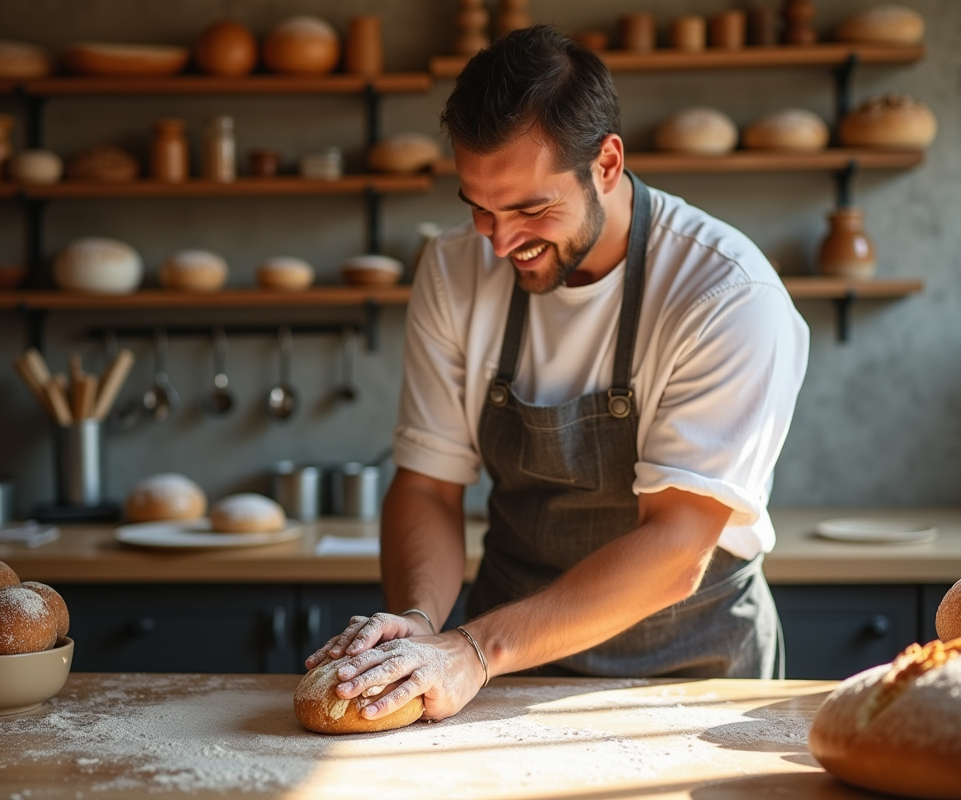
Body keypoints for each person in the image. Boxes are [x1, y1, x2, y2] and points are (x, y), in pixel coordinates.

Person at [306, 24, 809, 723]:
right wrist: (421, 624)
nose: (502, 241)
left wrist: (474, 650)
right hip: (502, 669)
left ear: (606, 163)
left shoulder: (726, 293)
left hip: (694, 673)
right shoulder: (454, 269)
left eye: (530, 208)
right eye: (480, 208)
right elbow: (426, 484)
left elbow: (676, 547)